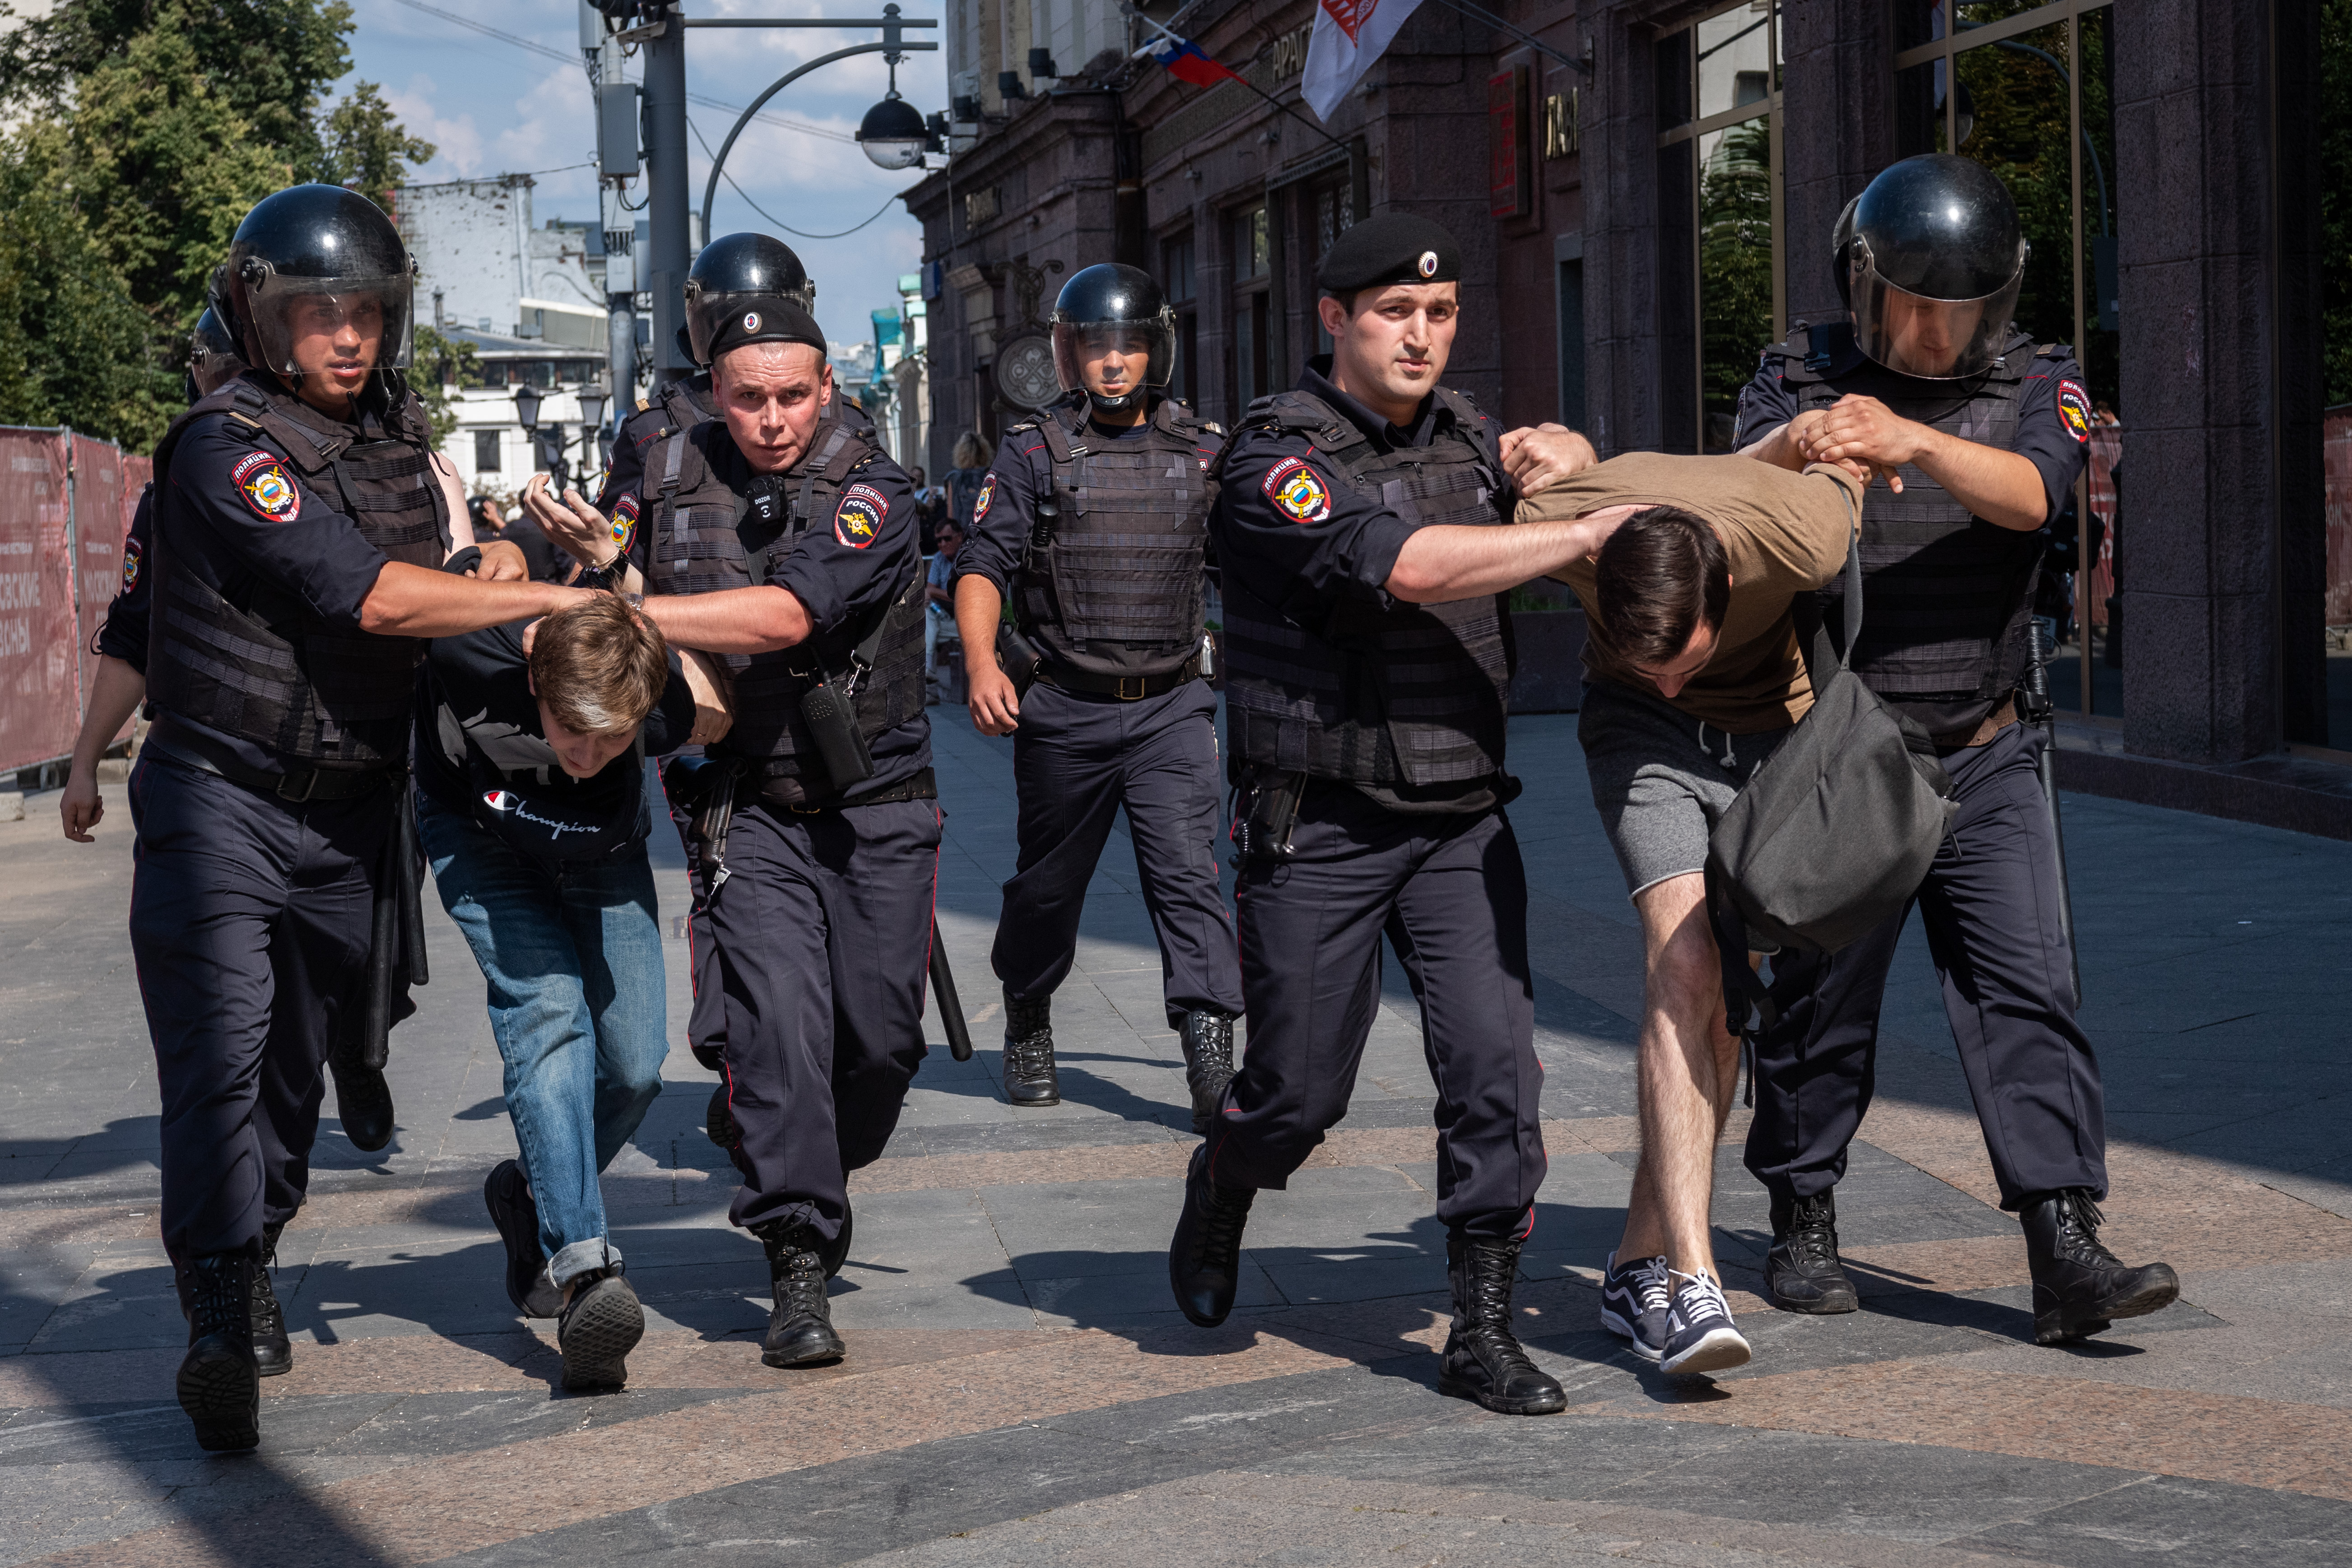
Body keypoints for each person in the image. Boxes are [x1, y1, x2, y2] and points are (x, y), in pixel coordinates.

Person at [131, 185, 590, 1454]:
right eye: (316, 313)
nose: (347, 337)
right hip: (217, 795)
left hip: (349, 812)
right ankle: (219, 1306)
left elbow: (436, 572)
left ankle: (256, 1245)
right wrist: (539, 599)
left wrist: (493, 565)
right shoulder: (224, 448)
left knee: (294, 1066)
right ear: (260, 317)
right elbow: (370, 601)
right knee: (222, 1053)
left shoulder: (397, 447)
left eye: (366, 314)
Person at [1736, 154, 2176, 1344]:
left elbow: (2039, 494)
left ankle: (2061, 1238)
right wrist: (1803, 456)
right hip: (1846, 746)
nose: (1933, 335)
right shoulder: (1798, 373)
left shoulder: (2041, 377)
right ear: (1864, 285)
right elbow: (1733, 507)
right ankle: (1803, 1208)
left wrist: (1915, 445)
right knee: (1820, 1000)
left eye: (1958, 313)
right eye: (1912, 309)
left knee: (2026, 989)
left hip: (1987, 742)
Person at [1168, 212, 1603, 1416]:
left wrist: (1569, 458)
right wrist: (1582, 526)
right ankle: (1226, 1177)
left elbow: (1548, 474)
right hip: (1323, 817)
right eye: (1397, 314)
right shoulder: (1273, 456)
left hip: (1459, 812)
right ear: (1333, 320)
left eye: (1444, 312)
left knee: (1493, 1066)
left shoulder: (1470, 436)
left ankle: (1481, 1326)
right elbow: (1400, 564)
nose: (1424, 335)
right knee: (1299, 1096)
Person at [624, 292, 936, 1373]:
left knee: (882, 1045)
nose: (771, 419)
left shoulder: (872, 490)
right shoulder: (662, 474)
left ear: (827, 386)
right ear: (715, 390)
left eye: (792, 395)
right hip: (744, 802)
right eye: (748, 398)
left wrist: (635, 615)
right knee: (781, 1034)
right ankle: (797, 1257)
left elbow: (789, 616)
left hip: (878, 805)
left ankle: (782, 1140)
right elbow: (598, 568)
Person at [1515, 453, 1864, 1373]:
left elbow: (1838, 478)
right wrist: (1538, 449)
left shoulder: (1799, 530)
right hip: (1639, 740)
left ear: (1729, 588)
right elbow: (1487, 495)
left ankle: (1634, 1262)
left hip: (1770, 741)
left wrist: (1817, 434)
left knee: (1726, 999)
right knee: (1685, 960)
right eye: (1653, 661)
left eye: (1686, 659)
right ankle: (1690, 1275)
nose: (1674, 678)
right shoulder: (1571, 528)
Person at [952, 264, 1244, 1117]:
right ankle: (1030, 1009)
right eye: (1094, 348)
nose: (1112, 363)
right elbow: (983, 563)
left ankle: (1210, 1054)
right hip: (1065, 709)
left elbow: (1260, 559)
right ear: (1067, 354)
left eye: (1129, 345)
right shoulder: (1034, 448)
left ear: (1159, 347)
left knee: (1189, 878)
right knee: (1047, 888)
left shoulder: (1203, 452)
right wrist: (979, 662)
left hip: (1174, 707)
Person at [418, 592, 727, 1390]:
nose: (586, 753)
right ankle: (586, 1270)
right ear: (533, 678)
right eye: (569, 729)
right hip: (478, 834)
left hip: (599, 849)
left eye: (612, 737)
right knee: (549, 1008)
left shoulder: (660, 712)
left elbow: (703, 713)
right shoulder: (468, 655)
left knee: (634, 1062)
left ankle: (531, 1191)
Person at [925, 518, 962, 701]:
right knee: (926, 618)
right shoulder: (939, 558)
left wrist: (935, 593)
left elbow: (962, 595)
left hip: (966, 621)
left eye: (947, 539)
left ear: (959, 537)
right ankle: (928, 677)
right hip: (945, 618)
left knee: (928, 628)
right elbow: (929, 591)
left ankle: (929, 685)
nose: (942, 544)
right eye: (939, 540)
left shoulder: (966, 557)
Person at [943, 431, 988, 528]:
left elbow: (951, 515)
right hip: (983, 532)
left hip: (962, 533)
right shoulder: (990, 475)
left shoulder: (954, 478)